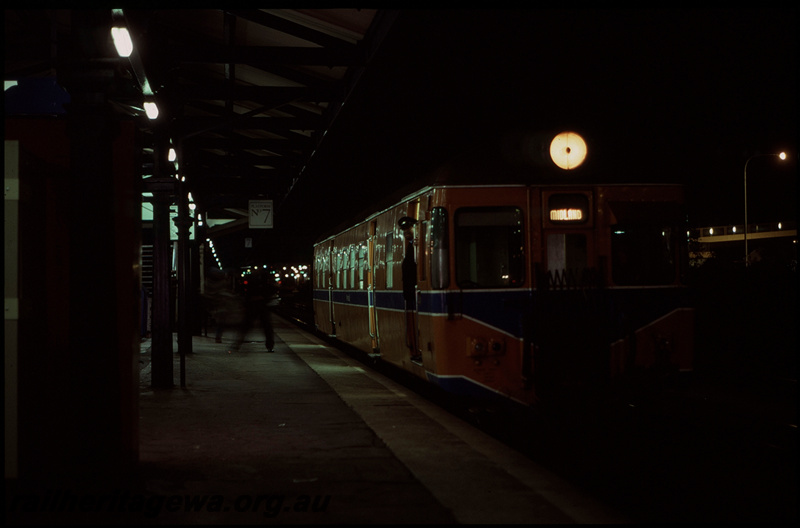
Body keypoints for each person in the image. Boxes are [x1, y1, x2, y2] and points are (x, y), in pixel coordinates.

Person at [232, 268, 277, 352]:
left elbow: (243, 292)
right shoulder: (265, 281)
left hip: (252, 306)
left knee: (246, 326)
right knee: (267, 327)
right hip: (262, 306)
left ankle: (237, 344)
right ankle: (270, 346)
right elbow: (271, 290)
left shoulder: (251, 281)